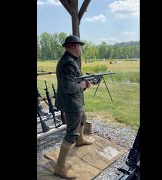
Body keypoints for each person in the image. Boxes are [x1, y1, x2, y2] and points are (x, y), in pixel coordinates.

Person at [54, 35, 93, 179]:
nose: (81, 49)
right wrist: (82, 85)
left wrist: (83, 83)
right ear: (76, 46)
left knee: (83, 117)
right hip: (71, 102)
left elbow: (74, 81)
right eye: (80, 47)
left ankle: (80, 140)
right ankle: (60, 167)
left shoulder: (70, 60)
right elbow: (69, 87)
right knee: (71, 133)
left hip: (74, 100)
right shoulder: (68, 63)